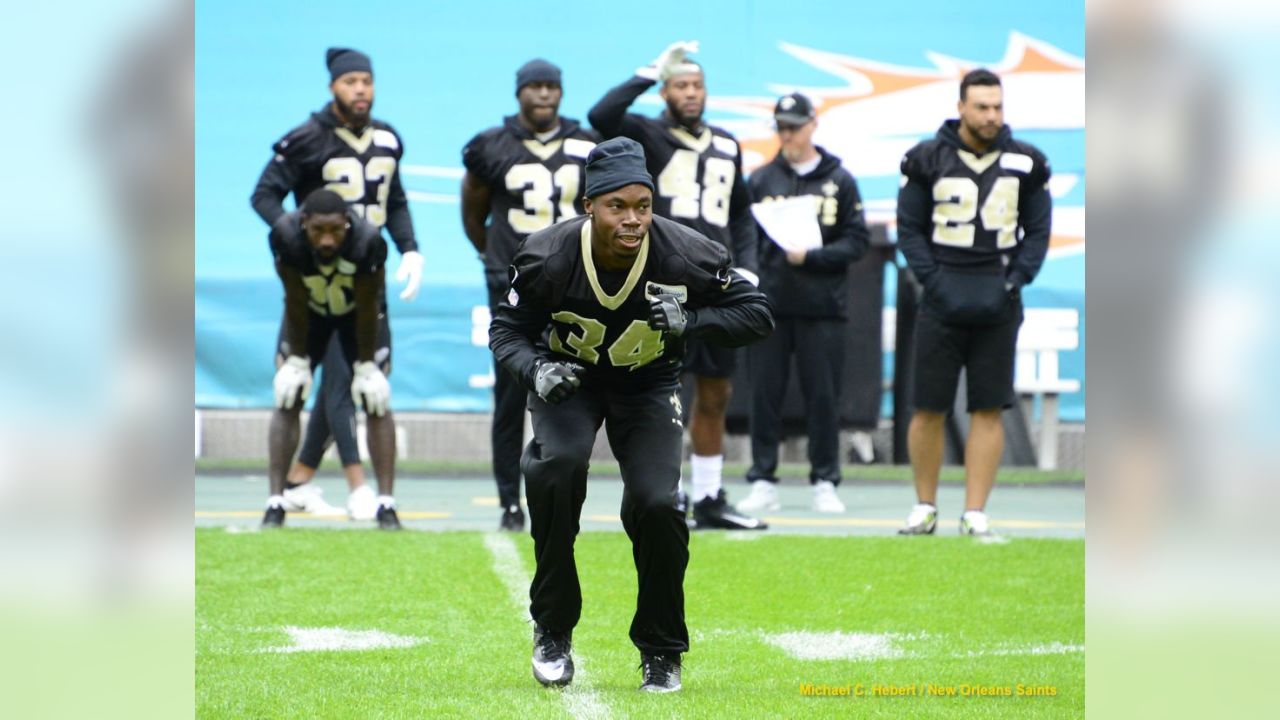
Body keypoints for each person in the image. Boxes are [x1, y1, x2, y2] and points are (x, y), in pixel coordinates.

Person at [489, 138, 773, 692]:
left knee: (658, 503)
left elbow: (756, 313)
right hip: (568, 380)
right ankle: (552, 626)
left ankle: (662, 649)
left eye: (642, 205)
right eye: (617, 206)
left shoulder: (687, 253)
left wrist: (692, 320)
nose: (633, 219)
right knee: (556, 468)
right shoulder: (546, 257)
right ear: (589, 206)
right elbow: (506, 332)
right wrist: (536, 370)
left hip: (647, 383)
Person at [588, 41, 764, 530]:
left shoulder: (727, 142)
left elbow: (741, 211)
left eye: (697, 85)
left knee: (717, 390)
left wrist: (747, 266)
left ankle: (709, 495)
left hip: (714, 277)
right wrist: (649, 70)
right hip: (662, 275)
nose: (691, 93)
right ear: (665, 90)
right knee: (664, 386)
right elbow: (602, 113)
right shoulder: (647, 134)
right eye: (680, 85)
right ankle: (670, 493)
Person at [250, 47, 422, 521]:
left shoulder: (388, 138)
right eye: (350, 82)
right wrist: (296, 235)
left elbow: (397, 199)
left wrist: (410, 247)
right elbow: (264, 195)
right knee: (309, 384)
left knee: (366, 385)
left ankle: (312, 480)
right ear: (333, 86)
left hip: (368, 270)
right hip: (314, 278)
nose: (360, 89)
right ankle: (344, 484)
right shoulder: (307, 138)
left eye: (367, 80)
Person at [895, 69, 1052, 536]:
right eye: (981, 106)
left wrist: (1015, 280)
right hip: (943, 297)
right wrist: (933, 281)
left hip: (996, 297)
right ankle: (925, 506)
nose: (991, 116)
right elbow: (910, 229)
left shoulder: (1026, 161)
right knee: (928, 406)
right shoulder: (926, 158)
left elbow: (1038, 230)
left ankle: (975, 510)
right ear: (961, 106)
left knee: (988, 406)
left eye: (997, 106)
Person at [461, 59, 600, 532]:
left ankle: (562, 489)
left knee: (577, 384)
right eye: (535, 87)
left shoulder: (586, 143)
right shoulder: (491, 145)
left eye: (552, 87)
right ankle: (509, 499)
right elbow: (473, 209)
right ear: (519, 92)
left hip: (573, 283)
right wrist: (494, 257)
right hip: (512, 281)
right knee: (509, 391)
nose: (544, 95)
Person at [737, 93, 870, 515]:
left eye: (795, 126)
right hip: (770, 306)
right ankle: (762, 479)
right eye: (782, 127)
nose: (788, 135)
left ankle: (825, 480)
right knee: (763, 395)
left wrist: (812, 257)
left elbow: (858, 240)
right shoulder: (760, 180)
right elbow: (745, 240)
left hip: (822, 307)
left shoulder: (840, 180)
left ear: (814, 124)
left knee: (823, 397)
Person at [263, 189, 401, 530]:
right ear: (304, 223)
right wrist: (296, 358)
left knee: (375, 396)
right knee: (288, 392)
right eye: (318, 231)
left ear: (348, 225)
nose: (327, 240)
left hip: (359, 316)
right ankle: (276, 501)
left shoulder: (368, 241)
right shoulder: (285, 237)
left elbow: (369, 305)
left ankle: (386, 503)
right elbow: (294, 298)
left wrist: (367, 364)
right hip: (308, 315)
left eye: (336, 231)